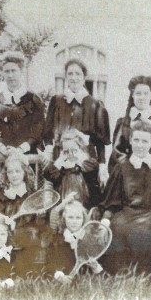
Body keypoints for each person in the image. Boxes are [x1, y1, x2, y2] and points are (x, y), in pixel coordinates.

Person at [99, 120, 151, 274]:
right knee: (118, 228)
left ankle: (144, 273)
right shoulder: (122, 166)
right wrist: (105, 220)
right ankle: (120, 273)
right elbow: (112, 201)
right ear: (130, 141)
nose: (140, 145)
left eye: (144, 141)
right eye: (136, 140)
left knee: (144, 232)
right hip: (127, 213)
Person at [43, 58, 110, 204]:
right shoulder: (57, 101)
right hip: (61, 158)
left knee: (87, 198)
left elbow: (100, 142)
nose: (74, 77)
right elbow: (48, 133)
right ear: (66, 77)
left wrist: (103, 166)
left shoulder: (96, 104)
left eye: (78, 74)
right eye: (70, 74)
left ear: (84, 77)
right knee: (60, 197)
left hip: (87, 161)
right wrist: (49, 152)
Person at [0, 152, 48, 276]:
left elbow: (37, 219)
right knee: (5, 236)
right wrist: (4, 218)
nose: (14, 175)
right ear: (6, 174)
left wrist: (40, 213)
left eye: (17, 171)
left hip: (27, 229)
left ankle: (26, 271)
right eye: (10, 172)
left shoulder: (30, 192)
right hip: (6, 230)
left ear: (24, 173)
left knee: (30, 236)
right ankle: (5, 270)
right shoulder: (2, 192)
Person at [0, 51, 45, 157]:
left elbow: (38, 130)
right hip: (1, 156)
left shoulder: (33, 100)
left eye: (14, 71)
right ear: (2, 73)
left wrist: (21, 149)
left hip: (27, 155)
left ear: (21, 71)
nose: (10, 75)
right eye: (7, 71)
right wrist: (0, 147)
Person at [47, 194, 105, 282]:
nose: (74, 221)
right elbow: (53, 264)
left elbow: (99, 273)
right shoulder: (59, 238)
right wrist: (60, 277)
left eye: (78, 218)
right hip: (64, 278)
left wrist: (95, 267)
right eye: (70, 217)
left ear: (83, 219)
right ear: (64, 218)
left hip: (83, 280)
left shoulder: (88, 239)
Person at [43, 128, 99, 207]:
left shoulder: (86, 165)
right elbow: (48, 174)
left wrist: (80, 161)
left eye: (74, 151)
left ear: (81, 150)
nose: (70, 155)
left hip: (84, 203)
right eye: (66, 152)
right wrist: (60, 161)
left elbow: (93, 169)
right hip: (65, 203)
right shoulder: (61, 168)